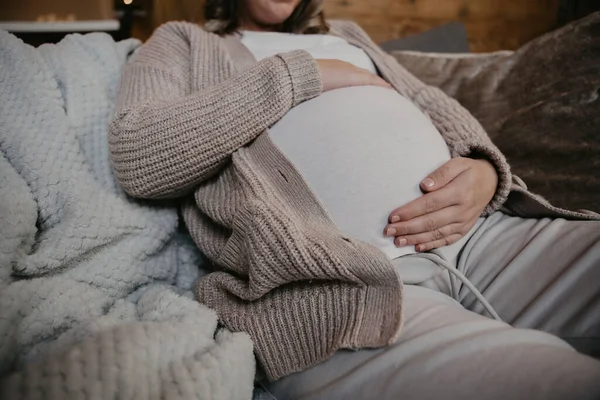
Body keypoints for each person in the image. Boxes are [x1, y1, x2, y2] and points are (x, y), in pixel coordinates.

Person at [109, 0, 600, 398]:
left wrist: (485, 172)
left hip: (484, 238)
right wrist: (298, 76)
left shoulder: (347, 34)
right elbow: (138, 151)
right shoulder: (186, 41)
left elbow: (435, 106)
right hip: (339, 287)